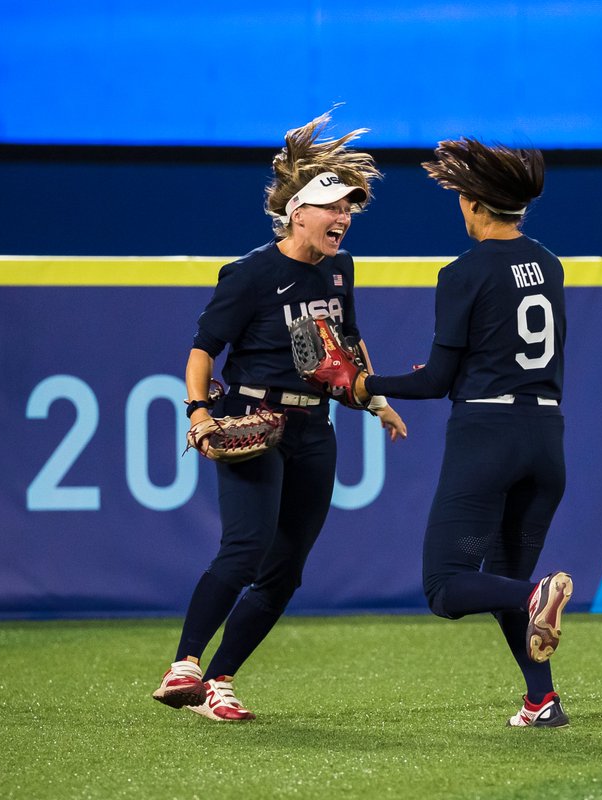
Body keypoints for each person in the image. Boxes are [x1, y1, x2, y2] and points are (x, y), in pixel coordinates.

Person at [152, 112, 407, 722]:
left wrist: (374, 398)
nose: (344, 217)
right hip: (252, 415)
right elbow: (201, 350)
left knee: (286, 570)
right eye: (333, 208)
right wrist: (198, 412)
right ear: (299, 215)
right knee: (245, 548)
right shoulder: (251, 273)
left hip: (315, 428)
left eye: (350, 208)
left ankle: (220, 681)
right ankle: (184, 664)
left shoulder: (340, 269)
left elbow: (346, 338)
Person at [355, 139, 573, 728]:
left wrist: (361, 382)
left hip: (488, 434)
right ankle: (542, 701)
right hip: (546, 435)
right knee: (507, 582)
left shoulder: (462, 272)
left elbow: (436, 383)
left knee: (446, 588)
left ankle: (537, 600)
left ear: (478, 205)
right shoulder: (549, 263)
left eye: (460, 197)